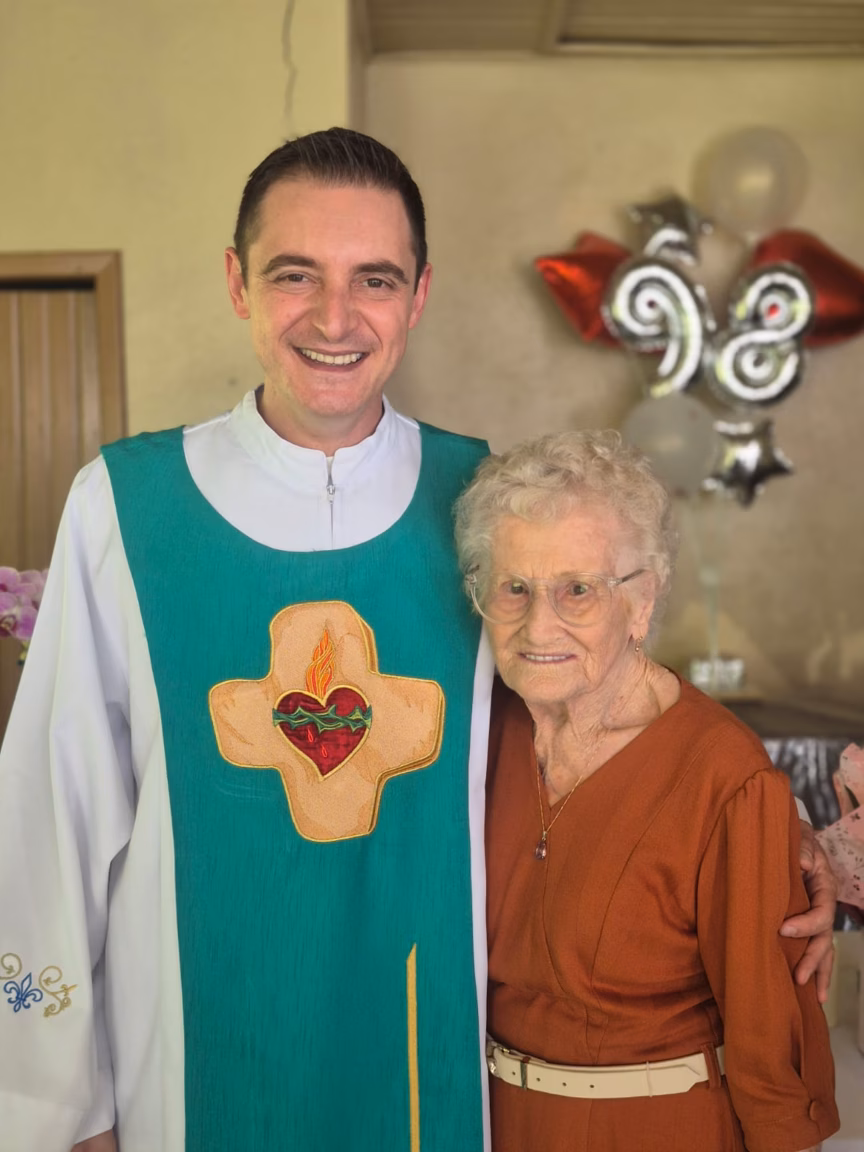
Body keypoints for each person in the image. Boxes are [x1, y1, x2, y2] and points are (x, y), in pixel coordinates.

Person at [0, 129, 835, 1152]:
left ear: (419, 295)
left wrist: (786, 848)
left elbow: (611, 716)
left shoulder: (479, 498)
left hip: (426, 1061)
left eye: (375, 279)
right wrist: (58, 1109)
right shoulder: (126, 508)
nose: (335, 318)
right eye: (295, 274)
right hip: (182, 1069)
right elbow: (48, 817)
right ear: (237, 282)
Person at [454, 429, 840, 1152]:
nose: (539, 625)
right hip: (494, 1125)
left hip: (660, 1129)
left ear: (642, 599)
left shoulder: (725, 776)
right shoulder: (473, 732)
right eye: (514, 588)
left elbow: (771, 1057)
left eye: (578, 590)